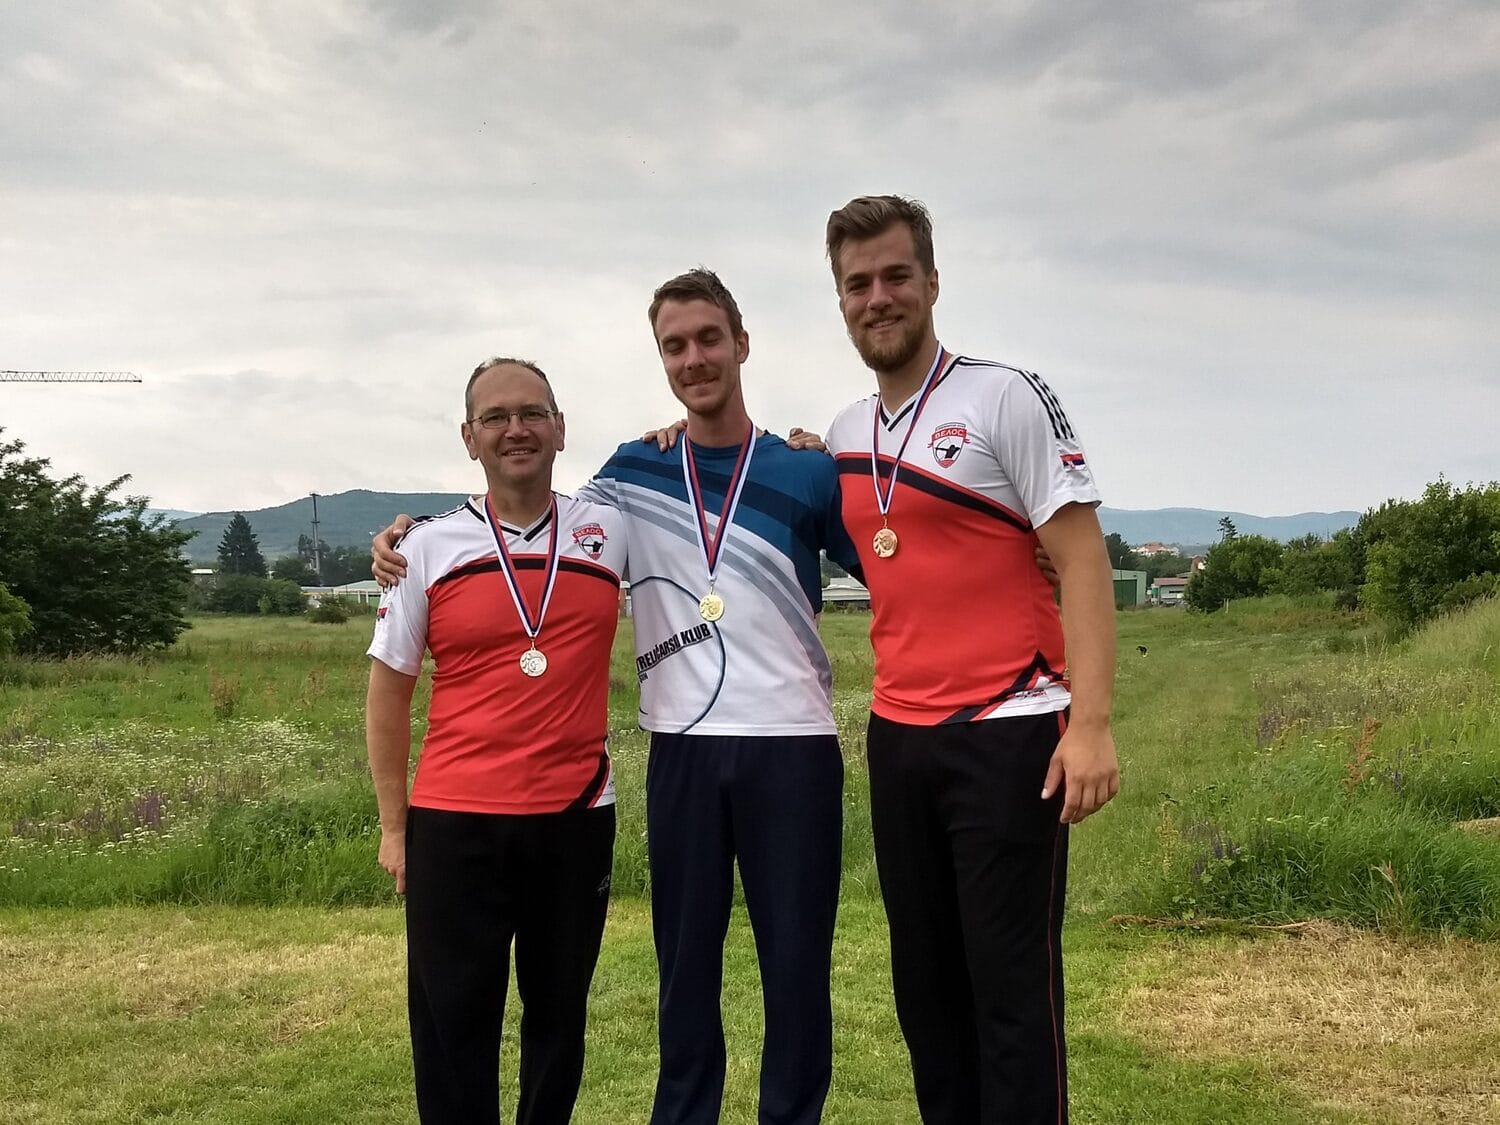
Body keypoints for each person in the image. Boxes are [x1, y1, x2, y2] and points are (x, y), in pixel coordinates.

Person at [374, 270, 860, 1125]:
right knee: (684, 973)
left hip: (793, 748)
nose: (695, 357)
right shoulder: (629, 475)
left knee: (796, 969)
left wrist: (1029, 553)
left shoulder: (808, 473)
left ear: (742, 344)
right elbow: (524, 515)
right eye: (675, 345)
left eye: (709, 338)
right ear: (662, 360)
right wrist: (402, 536)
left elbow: (898, 560)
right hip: (681, 748)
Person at [820, 195, 1119, 1125]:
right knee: (928, 995)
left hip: (1012, 730)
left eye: (895, 276)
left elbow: (1082, 558)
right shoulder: (842, 434)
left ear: (933, 283)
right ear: (840, 301)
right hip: (900, 740)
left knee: (1011, 995)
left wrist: (1093, 724)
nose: (879, 298)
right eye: (857, 284)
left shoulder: (1003, 395)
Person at [365, 357, 627, 1125]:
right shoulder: (426, 548)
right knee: (452, 1026)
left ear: (561, 427)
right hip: (453, 822)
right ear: (469, 438)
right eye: (496, 417)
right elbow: (388, 689)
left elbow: (699, 504)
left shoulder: (608, 530)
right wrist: (392, 826)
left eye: (533, 412)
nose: (517, 428)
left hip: (575, 818)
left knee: (559, 1020)